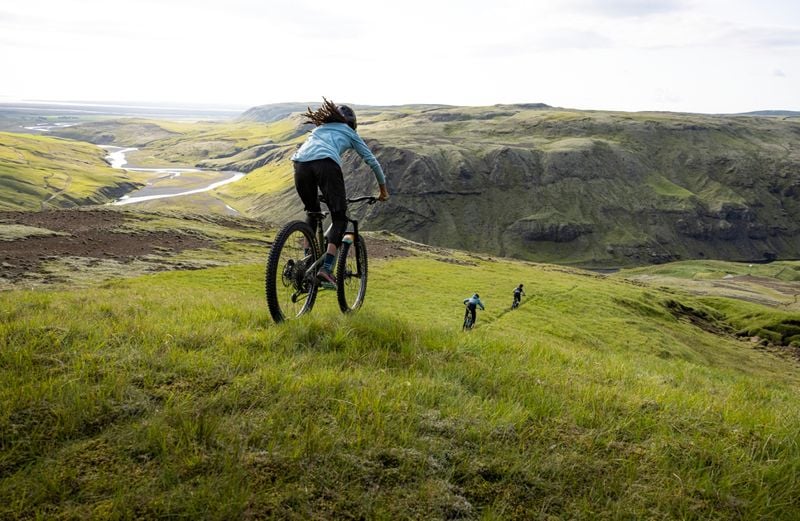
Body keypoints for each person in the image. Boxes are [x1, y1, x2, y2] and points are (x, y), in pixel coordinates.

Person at [291, 98, 389, 286]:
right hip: (326, 164)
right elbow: (372, 161)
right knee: (340, 219)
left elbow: (309, 156)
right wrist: (383, 191)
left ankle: (306, 263)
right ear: (352, 123)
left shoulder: (319, 129)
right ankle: (326, 270)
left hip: (299, 164)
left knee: (313, 213)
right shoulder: (349, 132)